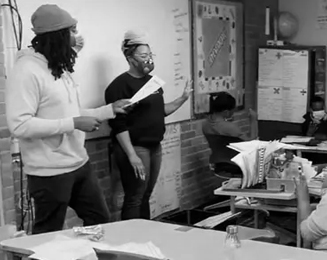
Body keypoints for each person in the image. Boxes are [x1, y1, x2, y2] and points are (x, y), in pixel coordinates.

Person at [5, 4, 130, 234]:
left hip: (79, 163)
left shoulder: (59, 67)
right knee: (48, 233)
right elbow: (19, 124)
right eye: (72, 31)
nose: (77, 38)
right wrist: (73, 124)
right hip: (49, 172)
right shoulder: (27, 70)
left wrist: (109, 110)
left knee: (99, 219)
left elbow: (71, 111)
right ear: (57, 36)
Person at [105, 30, 192, 220]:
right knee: (135, 197)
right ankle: (131, 240)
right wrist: (132, 155)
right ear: (130, 57)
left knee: (145, 195)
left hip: (154, 146)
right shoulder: (119, 86)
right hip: (135, 147)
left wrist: (183, 99)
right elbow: (118, 125)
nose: (149, 59)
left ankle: (145, 235)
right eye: (144, 56)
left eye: (150, 55)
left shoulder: (153, 83)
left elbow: (160, 111)